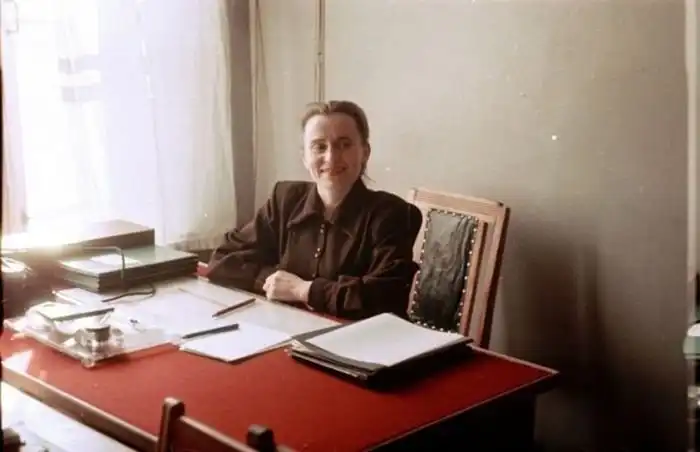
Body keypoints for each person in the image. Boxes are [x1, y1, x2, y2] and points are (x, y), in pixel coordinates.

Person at [207, 100, 423, 320]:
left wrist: (303, 290)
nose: (331, 157)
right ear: (304, 157)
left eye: (344, 144)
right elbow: (223, 260)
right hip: (286, 326)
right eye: (319, 147)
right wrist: (272, 281)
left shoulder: (393, 214)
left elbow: (386, 296)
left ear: (365, 152)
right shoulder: (285, 199)